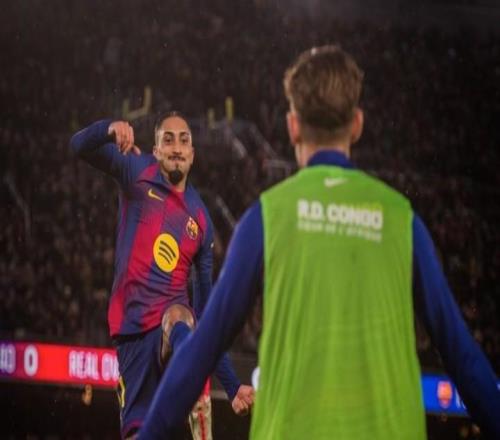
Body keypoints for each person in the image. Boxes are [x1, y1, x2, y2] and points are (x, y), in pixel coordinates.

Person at [138, 46, 500, 440]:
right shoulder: (402, 220)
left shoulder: (266, 218)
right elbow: (463, 358)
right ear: (357, 125)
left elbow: (202, 350)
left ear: (293, 126)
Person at [69, 112, 254, 440]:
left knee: (181, 316)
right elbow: (78, 145)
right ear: (156, 150)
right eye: (168, 140)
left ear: (193, 154)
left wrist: (231, 384)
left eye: (184, 140)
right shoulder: (135, 170)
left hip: (173, 329)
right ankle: (190, 369)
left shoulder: (201, 220)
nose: (177, 147)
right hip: (132, 334)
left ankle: (192, 376)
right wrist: (108, 129)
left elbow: (206, 313)